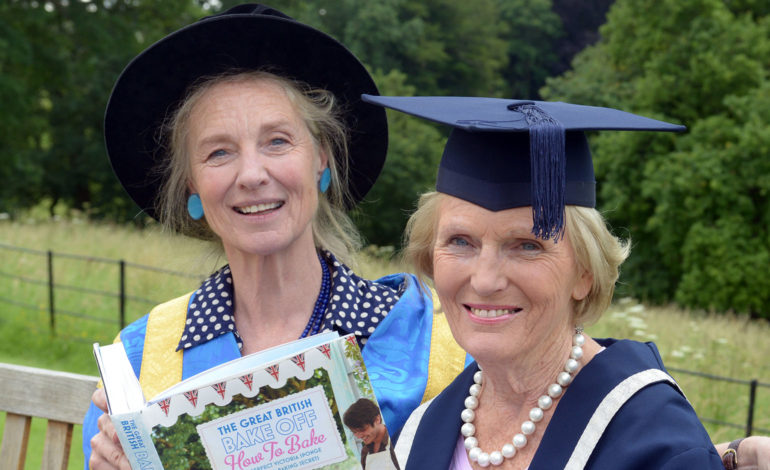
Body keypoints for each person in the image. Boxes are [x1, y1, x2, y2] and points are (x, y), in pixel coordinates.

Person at [82, 5, 467, 469]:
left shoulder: (433, 346)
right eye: (219, 152)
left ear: (321, 160)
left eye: (277, 141)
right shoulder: (140, 362)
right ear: (192, 187)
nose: (252, 174)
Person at [361, 95, 769, 469]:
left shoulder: (653, 440)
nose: (484, 280)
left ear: (585, 274)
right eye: (460, 241)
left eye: (526, 245)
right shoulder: (420, 432)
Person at [343, 398, 401, 469]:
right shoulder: (365, 451)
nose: (358, 436)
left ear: (377, 419)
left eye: (362, 430)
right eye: (354, 432)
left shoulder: (398, 440)